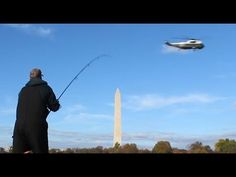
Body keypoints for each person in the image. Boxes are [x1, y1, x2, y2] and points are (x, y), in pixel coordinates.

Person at [13, 68, 60, 153]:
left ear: (29, 77)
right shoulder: (46, 88)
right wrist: (57, 103)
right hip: (36, 129)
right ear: (41, 76)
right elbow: (54, 107)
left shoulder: (22, 90)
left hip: (18, 128)